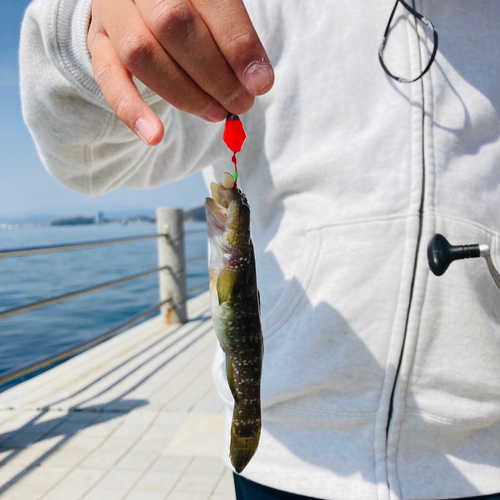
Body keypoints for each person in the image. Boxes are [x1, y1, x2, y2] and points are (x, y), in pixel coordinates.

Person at [19, 0, 500, 498]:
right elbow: (85, 162)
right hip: (285, 462)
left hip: (490, 458)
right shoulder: (244, 11)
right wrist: (87, 33)